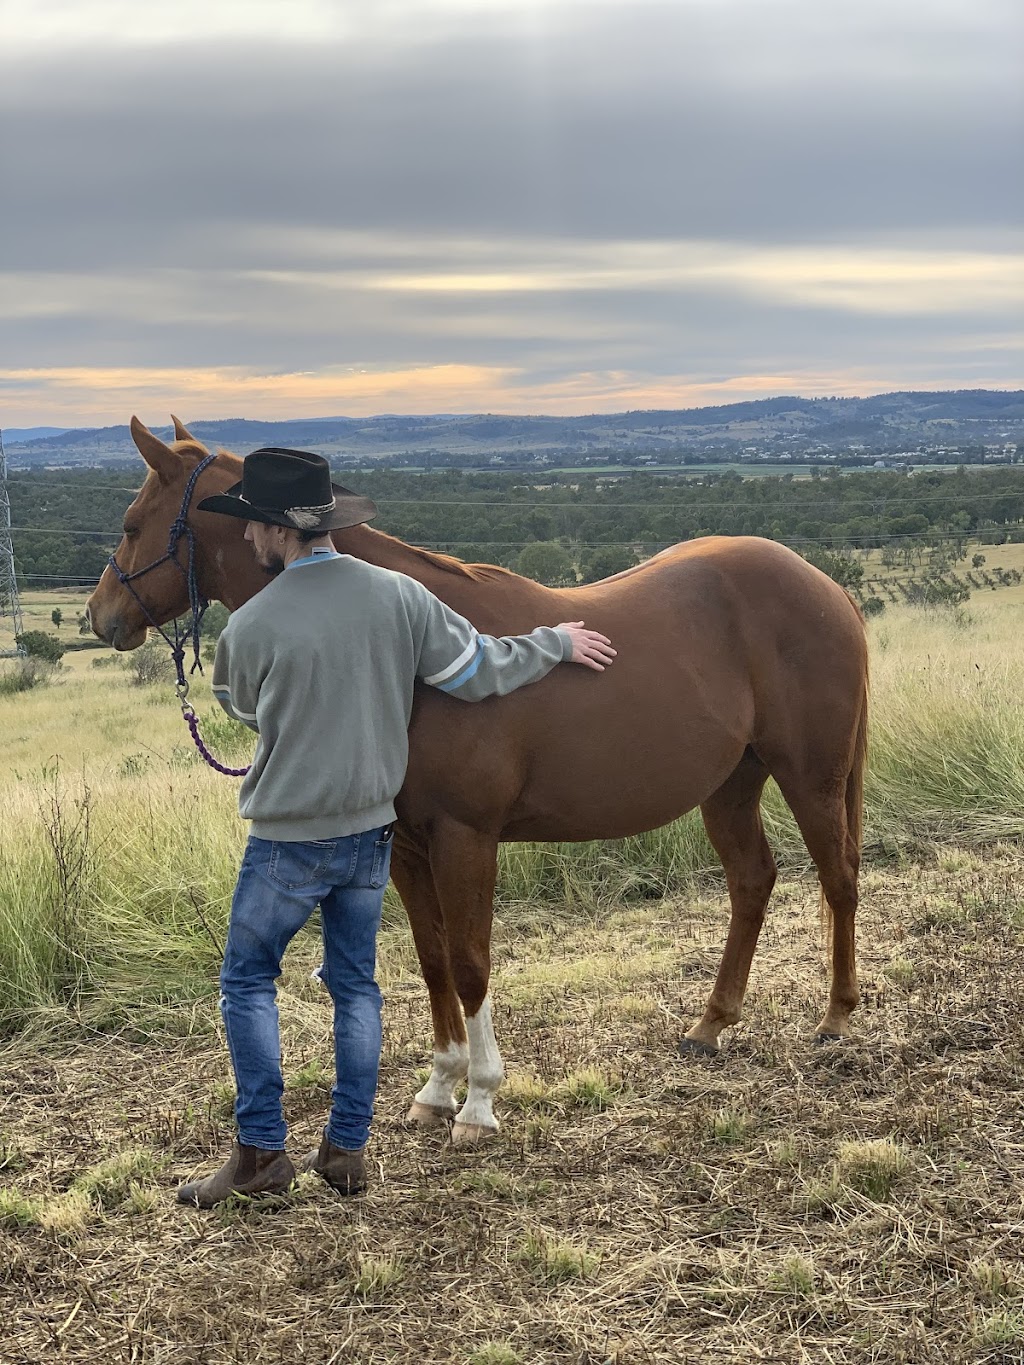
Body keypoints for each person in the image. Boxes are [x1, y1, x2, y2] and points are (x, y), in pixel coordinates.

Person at [175, 447, 616, 1208]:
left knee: (246, 980)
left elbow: (241, 707)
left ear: (281, 531)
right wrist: (557, 643)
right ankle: (347, 1147)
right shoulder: (401, 597)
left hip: (285, 836)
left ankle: (258, 1155)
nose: (247, 540)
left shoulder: (249, 626)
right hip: (370, 835)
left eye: (254, 526)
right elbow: (477, 668)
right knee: (357, 988)